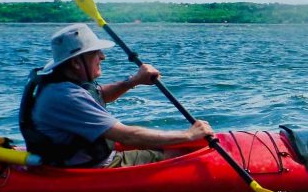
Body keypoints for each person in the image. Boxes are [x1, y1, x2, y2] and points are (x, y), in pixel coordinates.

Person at [19, 23, 214, 167]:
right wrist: (188, 135)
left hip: (72, 156)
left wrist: (133, 81)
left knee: (164, 144)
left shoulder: (61, 83)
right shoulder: (66, 96)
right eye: (95, 53)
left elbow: (99, 94)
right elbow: (127, 136)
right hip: (88, 167)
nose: (102, 57)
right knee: (177, 152)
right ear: (76, 63)